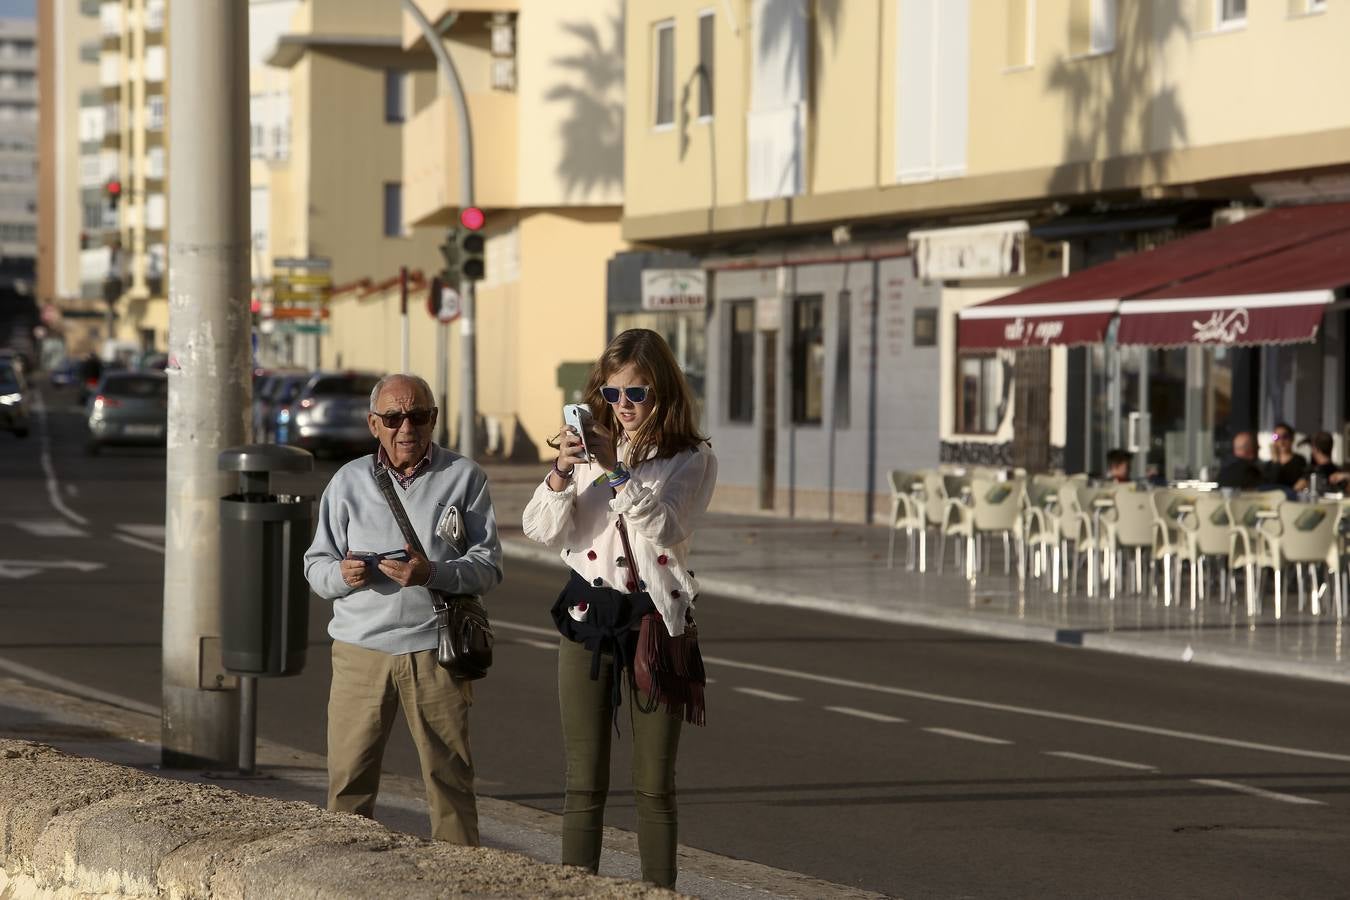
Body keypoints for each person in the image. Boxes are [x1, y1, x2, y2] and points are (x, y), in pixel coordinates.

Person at [521, 329, 717, 889]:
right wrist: (562, 468)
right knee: (583, 779)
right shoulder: (587, 449)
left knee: (654, 783)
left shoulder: (689, 458)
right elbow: (539, 528)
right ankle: (576, 888)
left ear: (664, 394)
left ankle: (659, 891)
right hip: (588, 613)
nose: (623, 408)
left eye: (637, 394)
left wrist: (616, 470)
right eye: (611, 396)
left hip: (656, 616)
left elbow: (666, 527)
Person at [303, 373, 502, 845]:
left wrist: (431, 573)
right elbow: (316, 565)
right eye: (393, 418)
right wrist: (342, 576)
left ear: (434, 419)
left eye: (419, 415)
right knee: (349, 784)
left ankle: (460, 885)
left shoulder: (465, 477)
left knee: (449, 784)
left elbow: (488, 567)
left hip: (435, 651)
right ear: (375, 424)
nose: (406, 427)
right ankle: (342, 882)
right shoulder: (348, 481)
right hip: (360, 651)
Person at [1264, 421, 1308, 489]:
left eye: (1285, 436)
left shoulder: (1300, 461)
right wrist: (1276, 461)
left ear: (1292, 438)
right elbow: (1271, 485)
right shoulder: (1269, 465)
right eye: (1276, 437)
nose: (1281, 441)